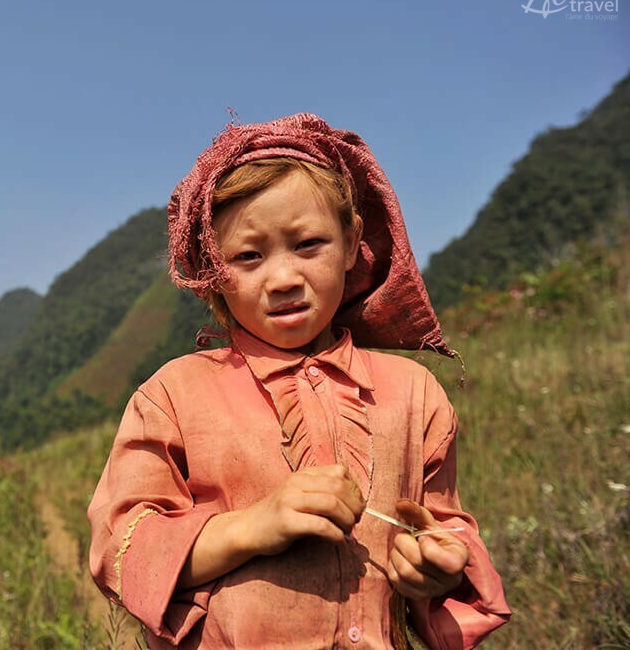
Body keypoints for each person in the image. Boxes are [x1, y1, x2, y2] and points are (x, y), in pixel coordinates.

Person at [87, 113, 510, 649]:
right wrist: (255, 526)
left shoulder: (414, 394)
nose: (284, 278)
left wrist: (441, 567)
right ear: (213, 268)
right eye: (248, 256)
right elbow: (121, 544)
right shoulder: (173, 395)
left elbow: (446, 527)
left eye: (308, 244)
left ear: (353, 240)